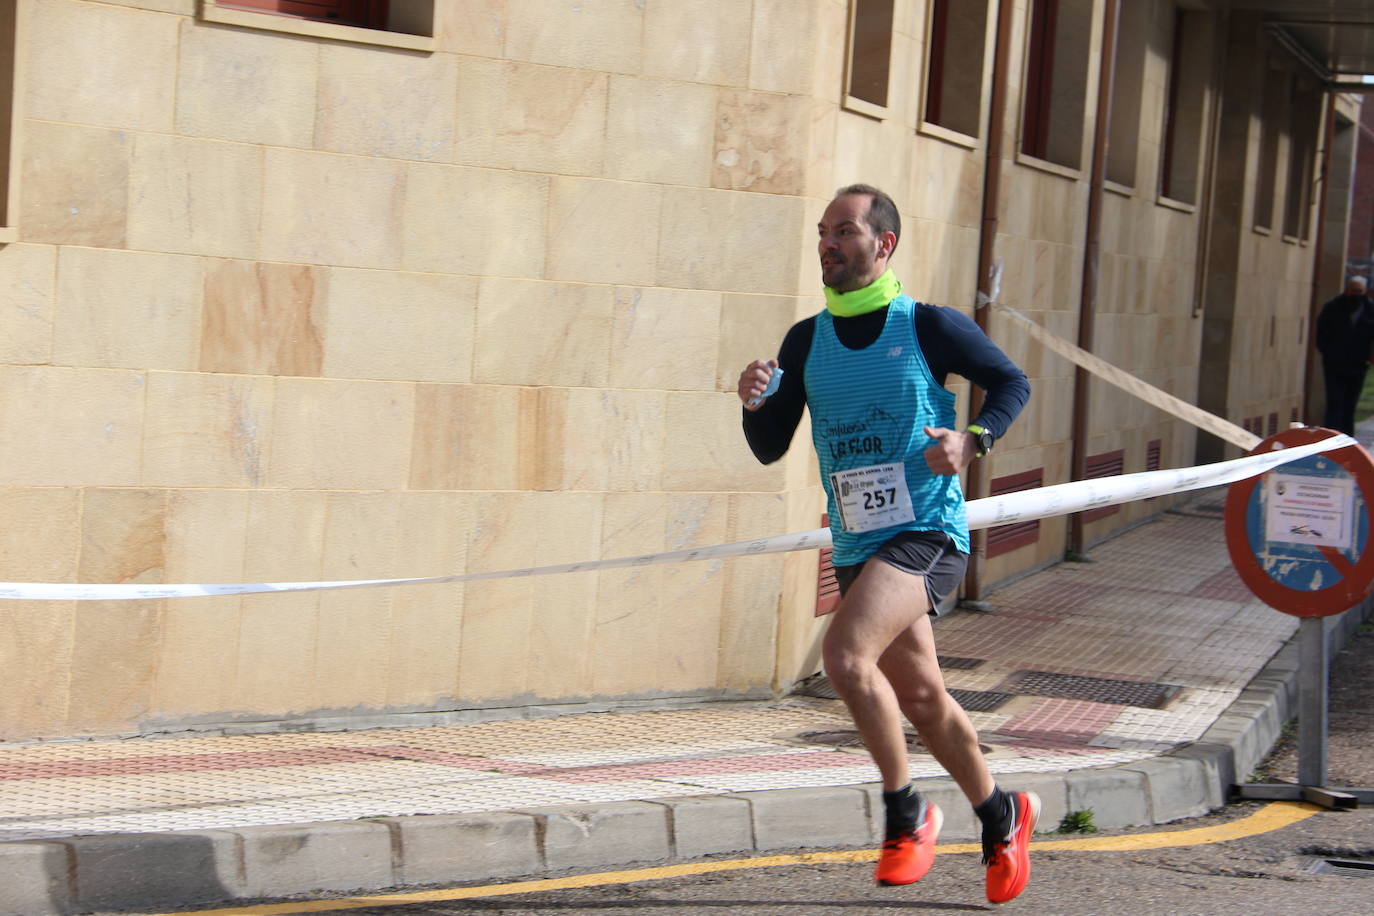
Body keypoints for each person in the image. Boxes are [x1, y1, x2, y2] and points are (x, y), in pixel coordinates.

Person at [736, 185, 1035, 902]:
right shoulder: (805, 342)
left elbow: (1010, 382)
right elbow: (769, 446)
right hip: (857, 541)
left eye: (844, 231)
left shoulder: (929, 326)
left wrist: (972, 440)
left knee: (844, 656)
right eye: (822, 232)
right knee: (925, 698)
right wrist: (753, 403)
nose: (828, 244)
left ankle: (908, 813)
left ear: (884, 244)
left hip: (925, 530)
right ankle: (1003, 815)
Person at [1315, 275, 1374, 435]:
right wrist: (1328, 352)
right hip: (1334, 363)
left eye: (1359, 291)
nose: (1356, 294)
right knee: (1334, 401)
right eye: (1353, 290)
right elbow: (1321, 334)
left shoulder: (1370, 310)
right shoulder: (1332, 308)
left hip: (1358, 365)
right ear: (1347, 289)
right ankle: (1330, 434)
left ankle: (1347, 436)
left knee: (1350, 404)